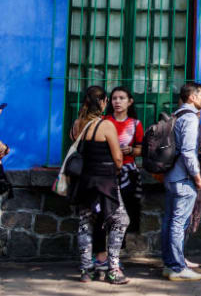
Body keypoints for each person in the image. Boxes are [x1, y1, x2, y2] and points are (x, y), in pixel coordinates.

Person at [70, 86, 129, 285]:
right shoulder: (106, 126)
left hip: (84, 182)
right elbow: (118, 159)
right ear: (103, 102)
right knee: (120, 221)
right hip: (105, 182)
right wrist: (117, 169)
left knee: (85, 223)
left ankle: (86, 270)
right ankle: (113, 269)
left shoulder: (77, 125)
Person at [91, 86, 143, 276]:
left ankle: (116, 257)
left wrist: (132, 151)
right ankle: (101, 256)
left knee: (121, 218)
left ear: (130, 102)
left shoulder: (135, 124)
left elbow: (140, 149)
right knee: (100, 215)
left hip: (127, 175)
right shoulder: (104, 122)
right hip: (106, 173)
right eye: (114, 98)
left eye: (122, 98)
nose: (117, 102)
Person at [162, 82, 201, 281]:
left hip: (172, 176)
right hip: (183, 178)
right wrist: (197, 177)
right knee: (178, 224)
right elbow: (188, 152)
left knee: (170, 222)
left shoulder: (176, 115)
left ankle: (169, 263)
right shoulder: (189, 118)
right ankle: (178, 267)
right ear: (192, 97)